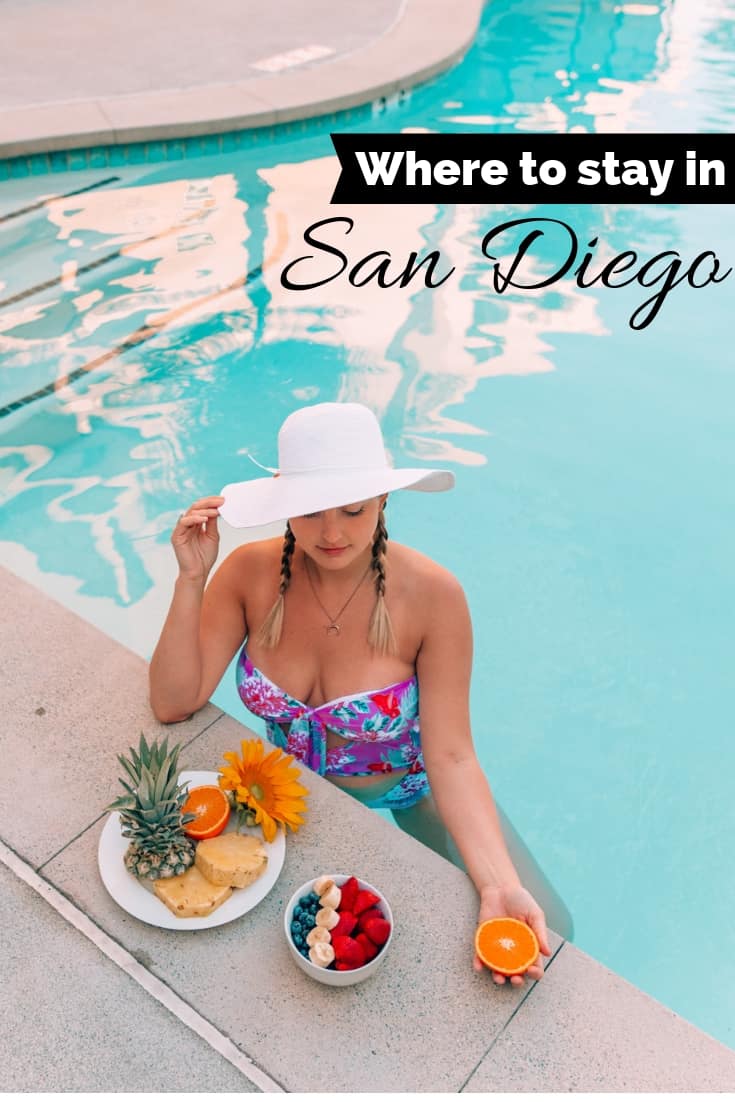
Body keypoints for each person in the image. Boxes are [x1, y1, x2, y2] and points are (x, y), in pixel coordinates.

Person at [150, 402, 560, 984]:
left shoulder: (433, 597)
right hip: (289, 800)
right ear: (284, 503)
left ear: (384, 499)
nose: (333, 533)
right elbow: (173, 702)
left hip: (410, 790)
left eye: (353, 509)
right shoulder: (246, 574)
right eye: (311, 512)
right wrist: (191, 579)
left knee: (555, 929)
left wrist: (498, 885)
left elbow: (452, 755)